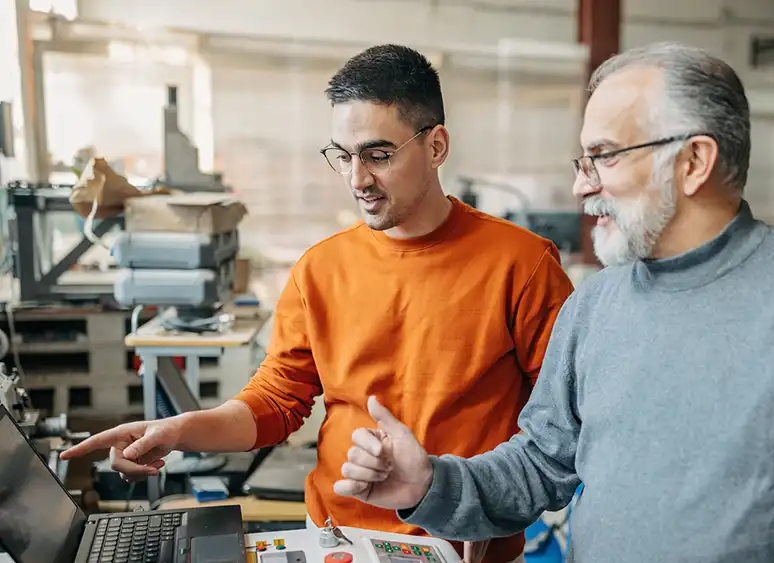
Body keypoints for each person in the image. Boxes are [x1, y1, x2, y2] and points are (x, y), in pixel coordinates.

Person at [332, 42, 774, 562]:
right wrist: (429, 483)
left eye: (602, 156)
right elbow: (539, 465)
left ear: (693, 162)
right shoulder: (594, 308)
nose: (581, 184)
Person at [61, 44, 574, 563]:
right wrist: (180, 430)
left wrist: (483, 506)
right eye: (343, 156)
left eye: (378, 155)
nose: (357, 180)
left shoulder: (522, 264)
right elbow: (278, 402)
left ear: (437, 145)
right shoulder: (321, 268)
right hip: (335, 537)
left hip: (459, 543)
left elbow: (559, 429)